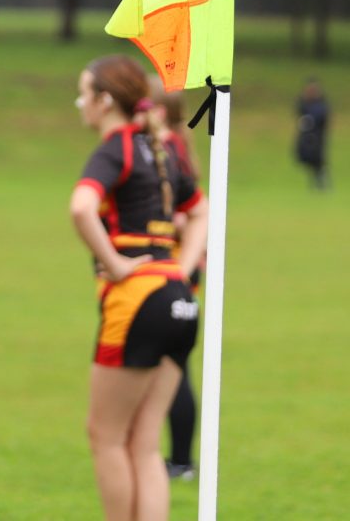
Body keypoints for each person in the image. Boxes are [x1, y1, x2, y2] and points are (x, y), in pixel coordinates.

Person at [70, 55, 208, 521]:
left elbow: (81, 208)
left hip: (138, 302)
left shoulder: (117, 146)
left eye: (83, 93)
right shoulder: (163, 146)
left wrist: (116, 265)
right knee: (144, 443)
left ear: (104, 100)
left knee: (105, 436)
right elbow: (201, 209)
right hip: (179, 299)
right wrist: (180, 269)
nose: (80, 104)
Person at [147, 80, 203, 482]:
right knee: (168, 366)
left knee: (172, 368)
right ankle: (173, 459)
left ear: (161, 111)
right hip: (180, 264)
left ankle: (181, 462)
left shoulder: (168, 147)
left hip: (176, 265)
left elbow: (183, 214)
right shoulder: (176, 143)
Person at [295, 79, 330, 190]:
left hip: (317, 136)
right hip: (306, 136)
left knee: (318, 160)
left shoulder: (321, 104)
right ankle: (313, 183)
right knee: (307, 159)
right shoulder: (304, 103)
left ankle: (322, 182)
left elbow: (323, 119)